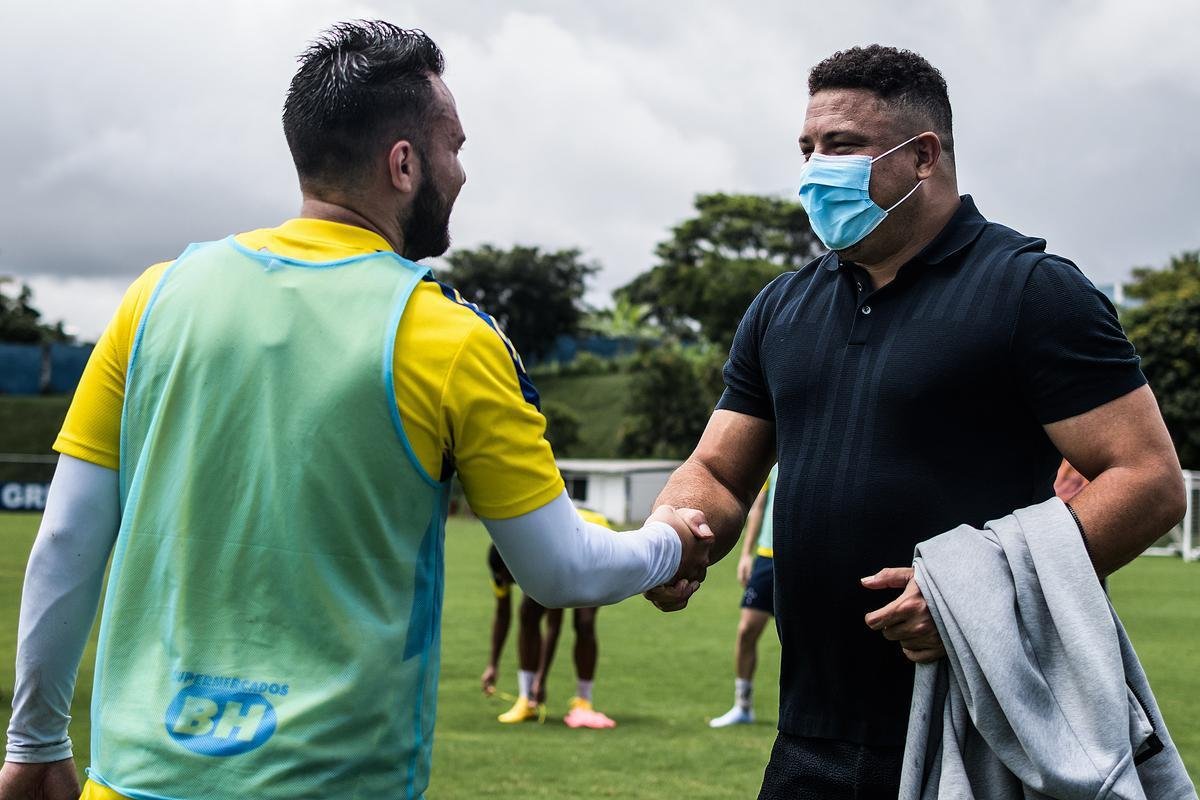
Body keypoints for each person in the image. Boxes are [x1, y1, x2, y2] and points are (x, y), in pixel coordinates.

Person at [0, 22, 712, 800]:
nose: (462, 172)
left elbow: (66, 537)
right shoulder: (450, 338)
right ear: (403, 164)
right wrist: (669, 545)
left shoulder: (155, 299)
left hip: (135, 780)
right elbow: (558, 568)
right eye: (454, 147)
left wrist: (35, 740)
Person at [644, 44, 1184, 799]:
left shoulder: (1032, 290)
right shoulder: (781, 306)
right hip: (808, 733)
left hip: (977, 730)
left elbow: (1150, 481)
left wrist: (974, 596)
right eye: (807, 148)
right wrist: (673, 533)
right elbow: (718, 471)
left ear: (924, 156)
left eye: (842, 146)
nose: (815, 169)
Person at [484, 506, 618, 729]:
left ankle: (584, 701)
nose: (507, 584)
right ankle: (526, 698)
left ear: (516, 567)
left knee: (584, 622)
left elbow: (554, 624)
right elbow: (502, 615)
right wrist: (492, 665)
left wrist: (542, 679)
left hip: (595, 541)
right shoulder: (501, 571)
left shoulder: (544, 562)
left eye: (510, 579)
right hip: (565, 543)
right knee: (527, 614)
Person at [709, 465, 778, 728]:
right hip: (767, 558)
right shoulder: (774, 461)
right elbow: (759, 506)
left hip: (801, 558)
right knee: (746, 630)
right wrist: (746, 554)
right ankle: (743, 706)